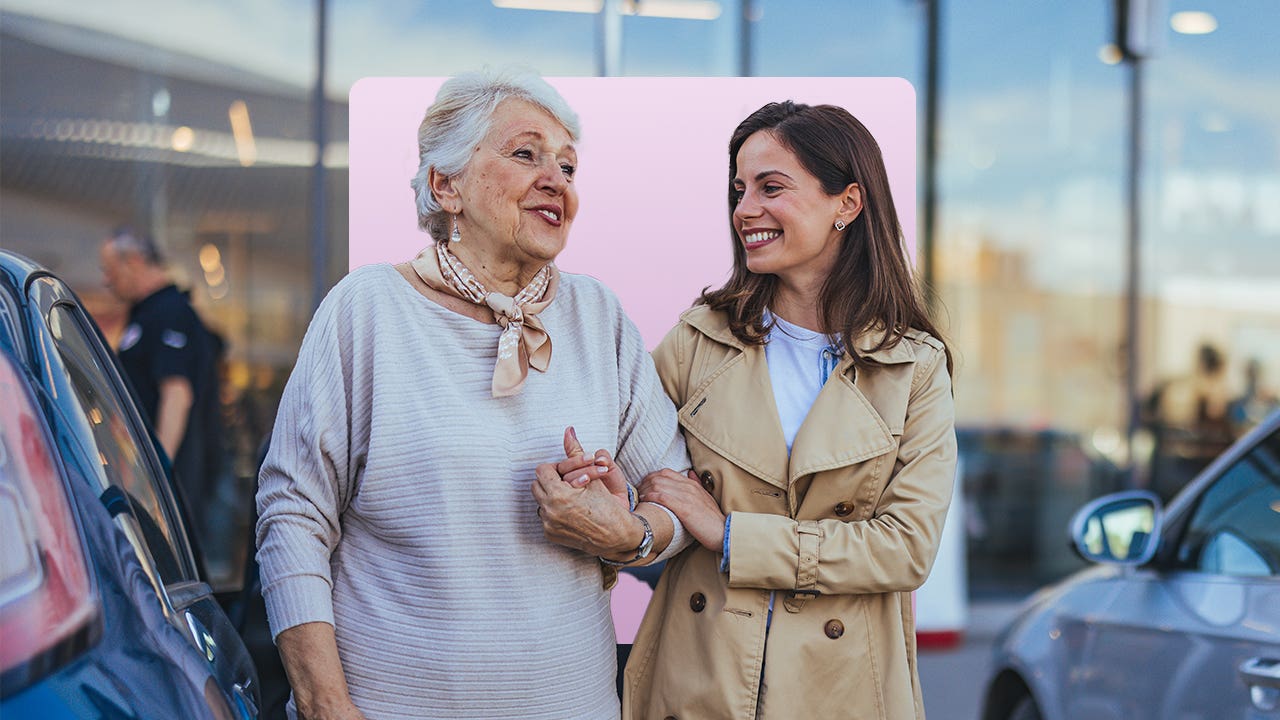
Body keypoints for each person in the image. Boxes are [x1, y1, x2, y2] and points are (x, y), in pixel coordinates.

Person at [255, 69, 689, 720]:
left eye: (568, 167)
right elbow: (291, 517)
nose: (556, 180)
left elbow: (677, 495)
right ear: (445, 184)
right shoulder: (367, 309)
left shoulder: (599, 317)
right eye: (526, 154)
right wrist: (324, 704)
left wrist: (626, 532)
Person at [625, 101, 957, 719]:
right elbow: (626, 475)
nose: (744, 209)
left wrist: (729, 535)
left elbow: (905, 548)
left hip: (842, 691)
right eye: (739, 189)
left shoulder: (914, 367)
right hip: (697, 678)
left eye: (770, 187)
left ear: (847, 204)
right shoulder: (699, 341)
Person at [100, 227, 225, 553]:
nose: (107, 282)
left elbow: (177, 396)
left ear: (136, 261)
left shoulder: (170, 313)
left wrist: (156, 471)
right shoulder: (146, 314)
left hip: (170, 485)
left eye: (111, 271)